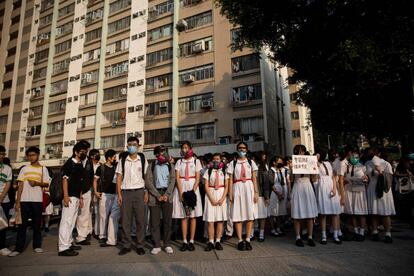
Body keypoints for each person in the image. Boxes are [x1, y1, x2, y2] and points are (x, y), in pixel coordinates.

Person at [9, 147, 51, 257]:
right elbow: (20, 185)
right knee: (22, 225)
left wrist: (37, 183)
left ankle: (37, 246)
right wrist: (17, 202)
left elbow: (46, 184)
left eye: (33, 155)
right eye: (29, 155)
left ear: (38, 155)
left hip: (37, 200)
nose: (31, 157)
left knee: (37, 224)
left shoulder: (43, 169)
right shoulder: (24, 169)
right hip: (24, 200)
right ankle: (18, 248)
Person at [116, 136, 148, 256]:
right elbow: (119, 178)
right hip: (126, 193)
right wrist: (119, 194)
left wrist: (147, 192)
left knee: (140, 220)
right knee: (125, 221)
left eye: (134, 144)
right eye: (129, 144)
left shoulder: (142, 159)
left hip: (139, 192)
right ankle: (126, 245)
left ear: (138, 146)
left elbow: (146, 178)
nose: (132, 146)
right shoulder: (123, 160)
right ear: (127, 146)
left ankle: (140, 245)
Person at [58, 142, 89, 256]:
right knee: (66, 222)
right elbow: (65, 180)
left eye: (86, 151)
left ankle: (69, 243)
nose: (84, 153)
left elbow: (79, 182)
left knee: (71, 222)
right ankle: (63, 248)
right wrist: (65, 196)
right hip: (69, 196)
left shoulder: (80, 164)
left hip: (76, 196)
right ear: (76, 152)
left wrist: (80, 197)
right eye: (82, 151)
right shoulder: (70, 163)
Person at [227, 142, 259, 251]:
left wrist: (256, 192)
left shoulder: (251, 162)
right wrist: (230, 193)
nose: (242, 150)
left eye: (244, 148)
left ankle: (248, 239)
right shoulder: (233, 163)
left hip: (249, 188)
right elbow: (230, 179)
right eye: (240, 148)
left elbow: (254, 178)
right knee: (237, 215)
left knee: (250, 215)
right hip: (237, 188)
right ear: (237, 149)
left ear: (247, 149)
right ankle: (240, 240)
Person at [172, 141, 203, 251]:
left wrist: (192, 193)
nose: (184, 149)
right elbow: (177, 178)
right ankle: (184, 240)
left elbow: (198, 178)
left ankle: (191, 240)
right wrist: (181, 193)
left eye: (186, 147)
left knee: (193, 216)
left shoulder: (196, 161)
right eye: (183, 148)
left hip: (192, 188)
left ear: (190, 149)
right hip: (182, 187)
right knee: (184, 217)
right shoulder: (179, 162)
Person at [145, 145, 175, 255]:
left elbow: (173, 180)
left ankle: (167, 244)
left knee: (167, 221)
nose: (163, 154)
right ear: (156, 154)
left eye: (164, 152)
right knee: (155, 222)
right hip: (155, 195)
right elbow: (148, 181)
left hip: (167, 195)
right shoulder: (151, 166)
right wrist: (157, 195)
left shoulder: (170, 166)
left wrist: (167, 194)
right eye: (160, 152)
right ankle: (157, 244)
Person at [290, 145, 318, 247]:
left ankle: (310, 237)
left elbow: (314, 179)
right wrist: (291, 169)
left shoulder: (310, 161)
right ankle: (298, 237)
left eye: (302, 151)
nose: (300, 153)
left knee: (310, 214)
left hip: (307, 186)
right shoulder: (293, 163)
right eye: (298, 151)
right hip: (298, 186)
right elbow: (291, 179)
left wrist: (314, 169)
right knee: (297, 214)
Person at [366, 148, 396, 243]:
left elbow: (390, 178)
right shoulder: (367, 163)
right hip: (372, 188)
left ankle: (388, 234)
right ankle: (375, 232)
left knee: (385, 212)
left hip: (383, 189)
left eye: (373, 153)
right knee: (374, 212)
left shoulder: (386, 163)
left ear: (378, 153)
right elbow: (368, 177)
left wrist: (381, 172)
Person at [315, 148, 342, 244]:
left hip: (330, 186)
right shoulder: (316, 164)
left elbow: (333, 177)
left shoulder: (329, 164)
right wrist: (316, 160)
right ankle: (323, 236)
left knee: (334, 213)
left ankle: (335, 235)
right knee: (323, 214)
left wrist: (334, 189)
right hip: (322, 187)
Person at [203, 153, 228, 251]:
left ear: (221, 160)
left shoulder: (224, 171)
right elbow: (206, 186)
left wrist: (222, 198)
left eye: (218, 159)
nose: (216, 160)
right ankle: (211, 241)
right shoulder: (208, 171)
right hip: (211, 194)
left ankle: (218, 240)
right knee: (210, 221)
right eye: (214, 159)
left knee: (220, 220)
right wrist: (211, 198)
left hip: (221, 194)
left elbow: (226, 185)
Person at [343, 148, 369, 241]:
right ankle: (356, 231)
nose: (354, 158)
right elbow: (343, 178)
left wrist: (365, 179)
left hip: (359, 192)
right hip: (349, 191)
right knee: (352, 213)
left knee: (361, 213)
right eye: (352, 156)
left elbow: (367, 180)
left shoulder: (362, 167)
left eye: (356, 157)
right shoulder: (347, 167)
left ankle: (362, 232)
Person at [93, 149, 117, 244]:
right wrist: (95, 192)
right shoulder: (101, 168)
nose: (115, 158)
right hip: (104, 195)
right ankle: (102, 236)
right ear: (109, 158)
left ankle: (112, 235)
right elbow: (95, 180)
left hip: (114, 195)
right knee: (103, 216)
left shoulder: (116, 167)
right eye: (114, 157)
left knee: (113, 217)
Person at [268, 156, 289, 237]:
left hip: (280, 190)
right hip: (274, 192)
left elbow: (283, 182)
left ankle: (278, 228)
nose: (281, 163)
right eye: (279, 161)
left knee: (280, 212)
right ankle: (273, 229)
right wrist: (278, 193)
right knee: (273, 212)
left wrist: (283, 193)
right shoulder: (271, 171)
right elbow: (271, 184)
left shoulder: (280, 171)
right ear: (274, 162)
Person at [254, 151, 270, 242]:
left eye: (265, 156)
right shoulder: (252, 165)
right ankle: (253, 231)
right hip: (252, 194)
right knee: (253, 214)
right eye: (263, 156)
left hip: (261, 194)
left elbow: (266, 182)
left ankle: (261, 233)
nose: (264, 158)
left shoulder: (264, 167)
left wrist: (266, 196)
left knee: (262, 215)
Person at [0, 146, 13, 256]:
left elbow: (8, 184)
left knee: (2, 225)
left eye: (3, 154)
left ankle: (2, 246)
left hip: (4, 200)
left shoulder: (7, 168)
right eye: (0, 154)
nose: (2, 156)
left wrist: (1, 198)